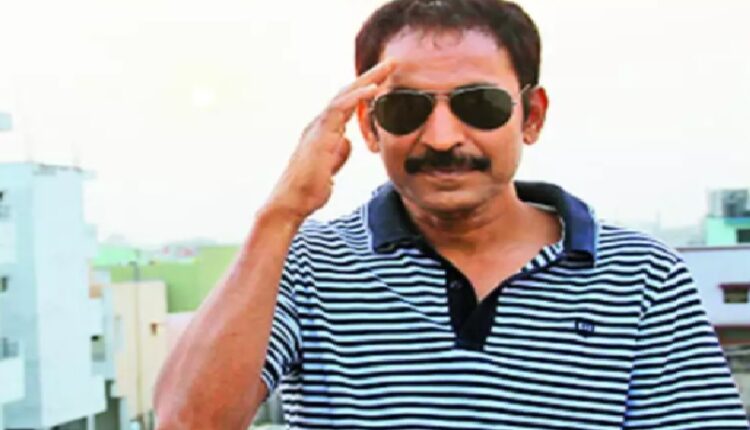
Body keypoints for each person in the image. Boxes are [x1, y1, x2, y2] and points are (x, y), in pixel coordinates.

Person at [154, 0, 750, 429]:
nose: (441, 137)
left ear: (532, 117)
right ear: (369, 126)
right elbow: (187, 423)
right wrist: (282, 213)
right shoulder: (308, 263)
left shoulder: (641, 276)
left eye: (479, 105)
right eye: (406, 108)